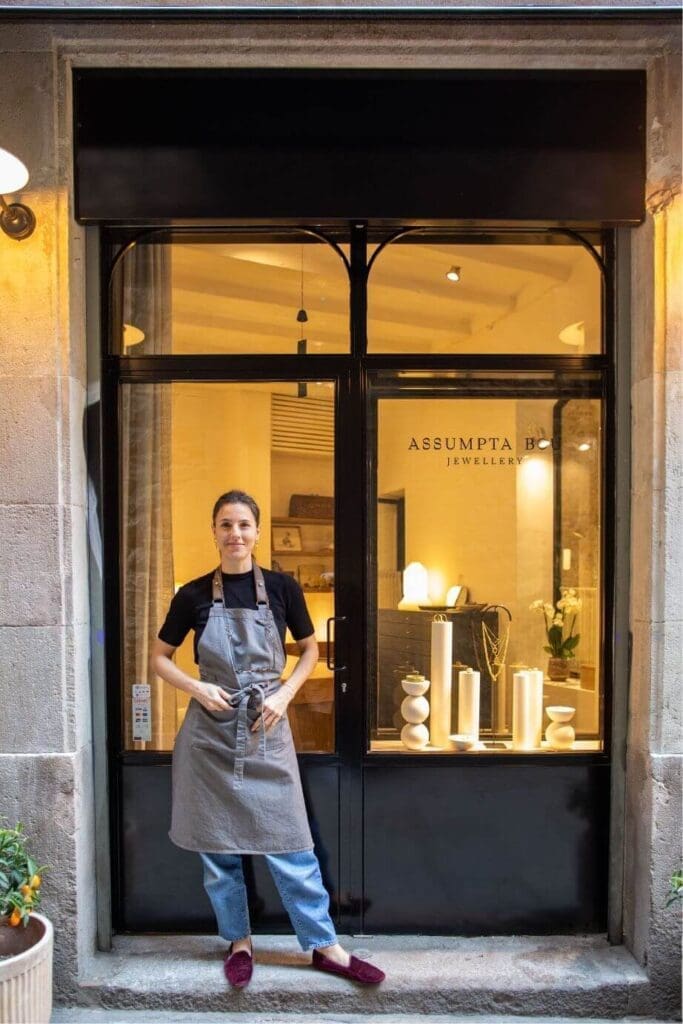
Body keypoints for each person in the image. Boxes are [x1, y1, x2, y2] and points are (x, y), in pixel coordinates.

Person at [151, 489, 385, 989]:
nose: (235, 534)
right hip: (209, 738)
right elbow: (159, 659)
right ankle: (239, 941)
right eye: (225, 525)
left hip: (266, 728)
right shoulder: (191, 595)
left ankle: (326, 946)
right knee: (218, 850)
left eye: (243, 525)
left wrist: (284, 696)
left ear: (256, 533)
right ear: (213, 532)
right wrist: (197, 687)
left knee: (292, 843)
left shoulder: (281, 588)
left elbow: (309, 650)